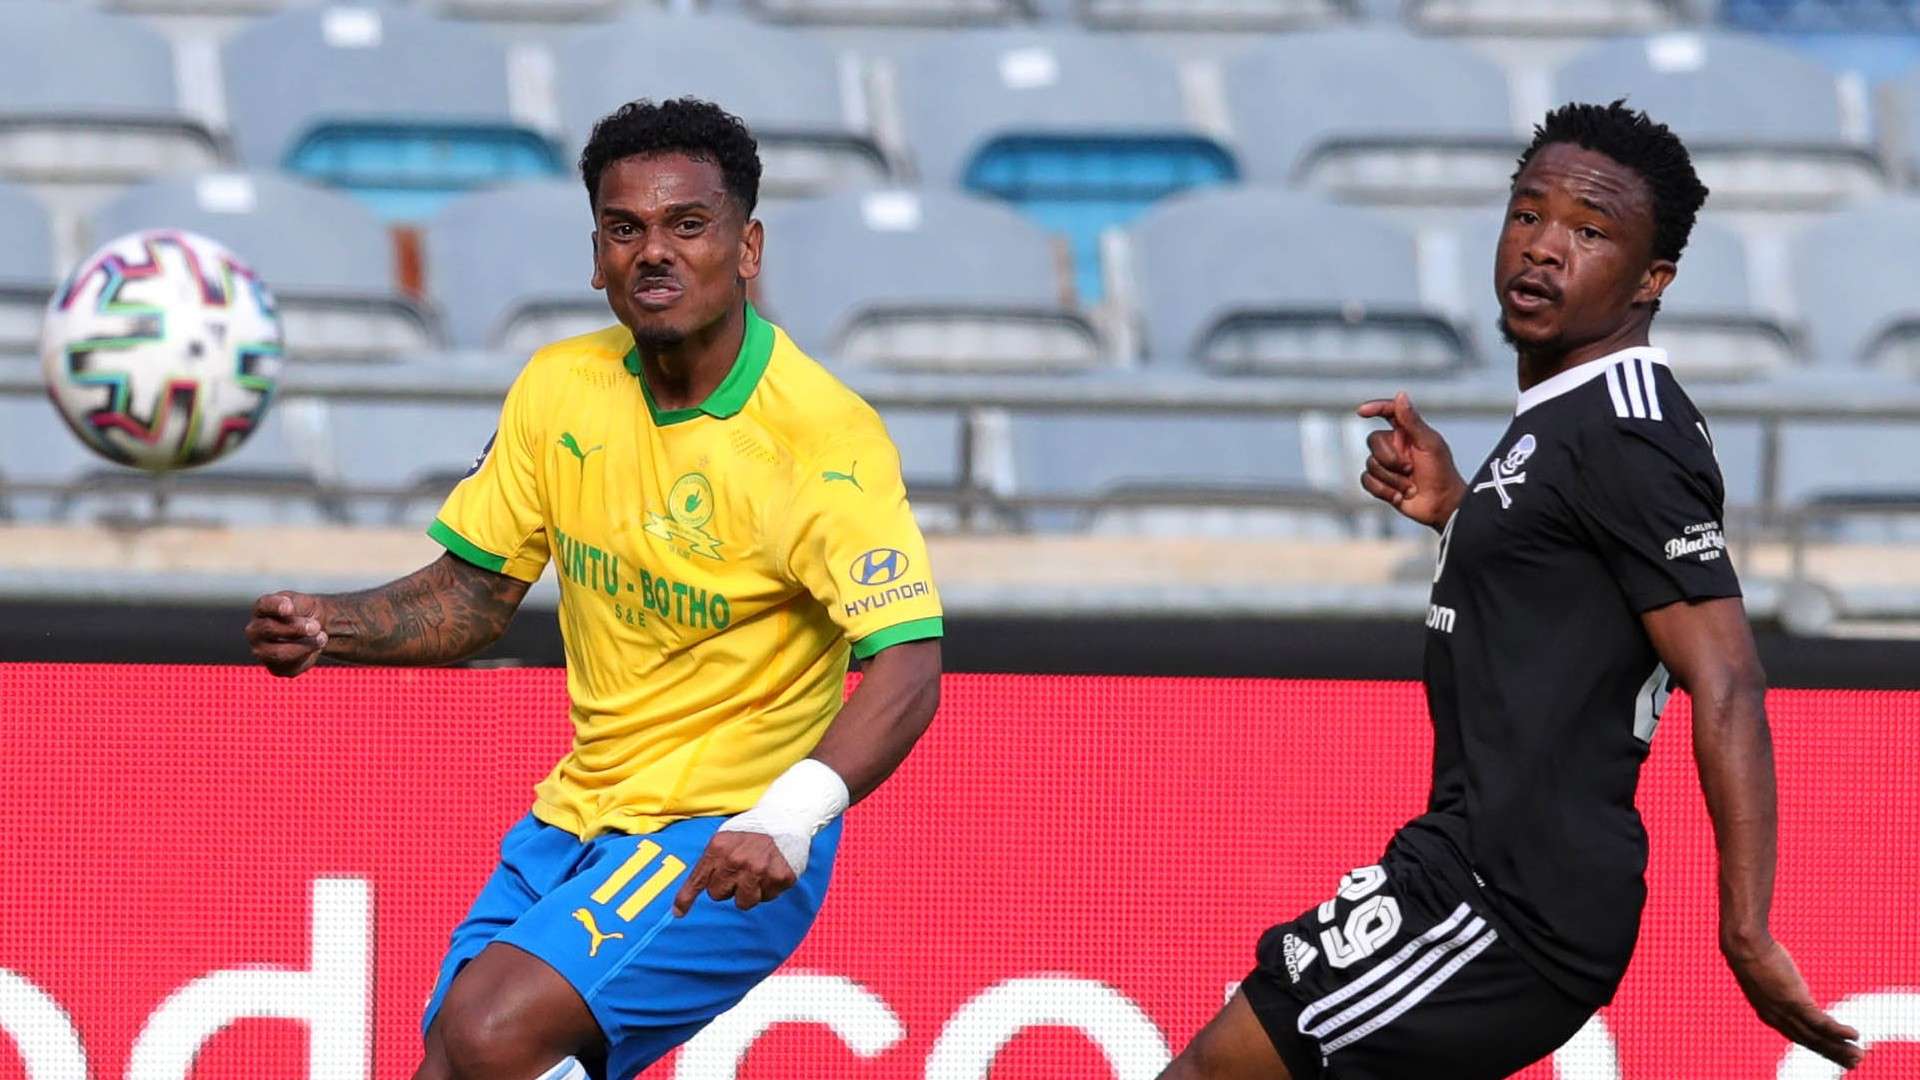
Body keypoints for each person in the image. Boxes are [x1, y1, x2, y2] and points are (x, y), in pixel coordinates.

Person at [1158, 101, 1866, 1079]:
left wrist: (1747, 931)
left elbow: (1728, 676)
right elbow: (1569, 594)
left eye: (1590, 231)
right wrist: (1460, 509)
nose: (1543, 248)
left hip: (1508, 903)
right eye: (1528, 214)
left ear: (1653, 279)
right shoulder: (1562, 413)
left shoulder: (1628, 427)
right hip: (1468, 867)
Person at [244, 97, 945, 1080]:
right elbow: (475, 596)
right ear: (596, 257)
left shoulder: (820, 438)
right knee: (450, 1060)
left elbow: (909, 665)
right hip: (576, 818)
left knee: (490, 1033)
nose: (654, 252)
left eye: (687, 225)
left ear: (747, 249)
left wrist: (787, 816)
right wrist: (334, 624)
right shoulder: (559, 388)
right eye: (625, 229)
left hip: (730, 836)